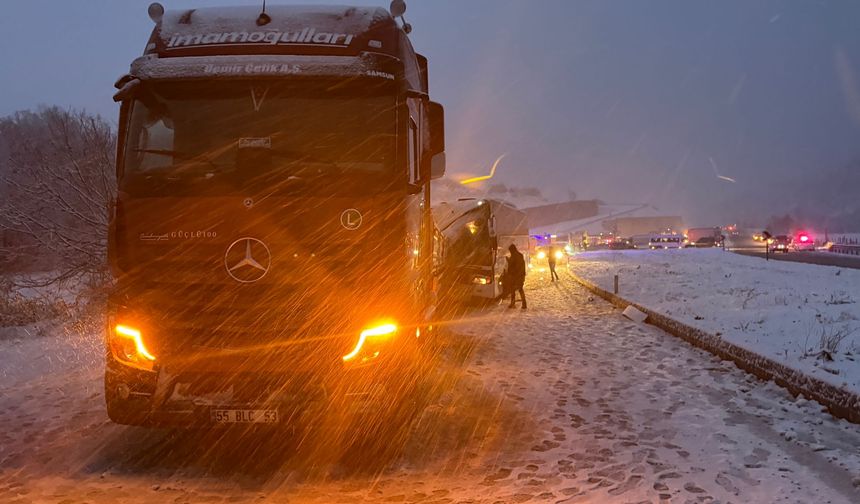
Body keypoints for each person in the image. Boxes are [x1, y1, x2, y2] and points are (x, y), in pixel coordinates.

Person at [506, 244, 527, 310]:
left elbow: (514, 266)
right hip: (518, 275)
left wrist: (508, 261)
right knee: (518, 289)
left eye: (510, 250)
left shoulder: (515, 256)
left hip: (516, 276)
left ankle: (521, 304)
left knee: (517, 289)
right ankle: (522, 304)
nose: (510, 252)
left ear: (512, 249)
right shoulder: (518, 255)